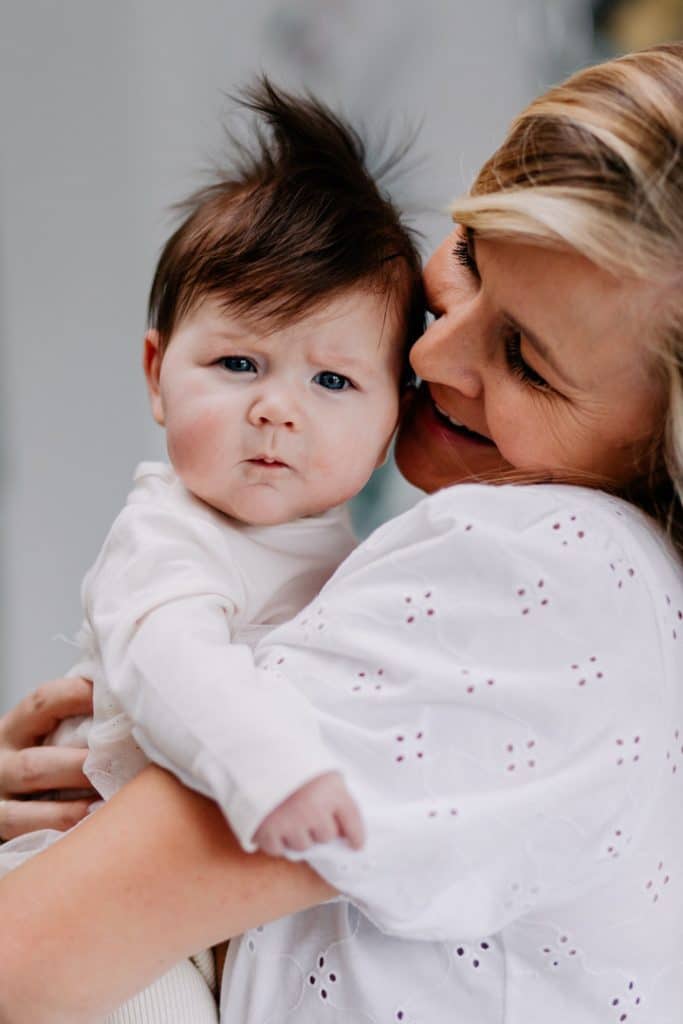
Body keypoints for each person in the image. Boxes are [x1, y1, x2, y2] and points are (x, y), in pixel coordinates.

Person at [1, 41, 682, 1024]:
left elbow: (28, 958)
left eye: (525, 362)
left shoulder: (550, 566)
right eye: (466, 260)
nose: (431, 348)